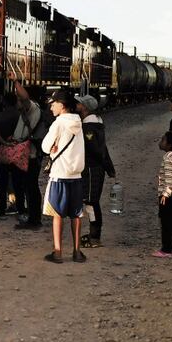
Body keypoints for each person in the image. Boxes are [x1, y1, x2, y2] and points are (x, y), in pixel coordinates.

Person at [40, 89, 86, 264]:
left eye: (53, 104)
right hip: (76, 175)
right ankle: (77, 252)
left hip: (60, 174)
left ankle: (58, 252)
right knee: (76, 214)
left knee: (57, 213)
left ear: (62, 105)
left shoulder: (59, 123)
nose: (51, 107)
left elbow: (45, 146)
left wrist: (51, 148)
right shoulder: (78, 123)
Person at [77, 94, 116, 248]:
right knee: (91, 202)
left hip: (91, 168)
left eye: (79, 104)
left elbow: (95, 150)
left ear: (85, 108)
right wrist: (109, 168)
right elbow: (103, 149)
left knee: (91, 202)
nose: (77, 106)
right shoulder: (97, 124)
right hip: (96, 168)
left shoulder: (89, 127)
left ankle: (94, 237)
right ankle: (94, 235)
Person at [11, 79, 45, 229]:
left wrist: (15, 82)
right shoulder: (29, 111)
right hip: (28, 154)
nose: (18, 101)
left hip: (30, 155)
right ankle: (32, 217)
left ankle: (34, 219)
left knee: (31, 186)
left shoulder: (32, 108)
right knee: (28, 186)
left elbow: (24, 98)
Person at [0, 92, 20, 219]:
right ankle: (18, 206)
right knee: (18, 180)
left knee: (1, 182)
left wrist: (4, 143)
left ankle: (2, 208)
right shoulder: (20, 116)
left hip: (1, 151)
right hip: (17, 151)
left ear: (4, 102)